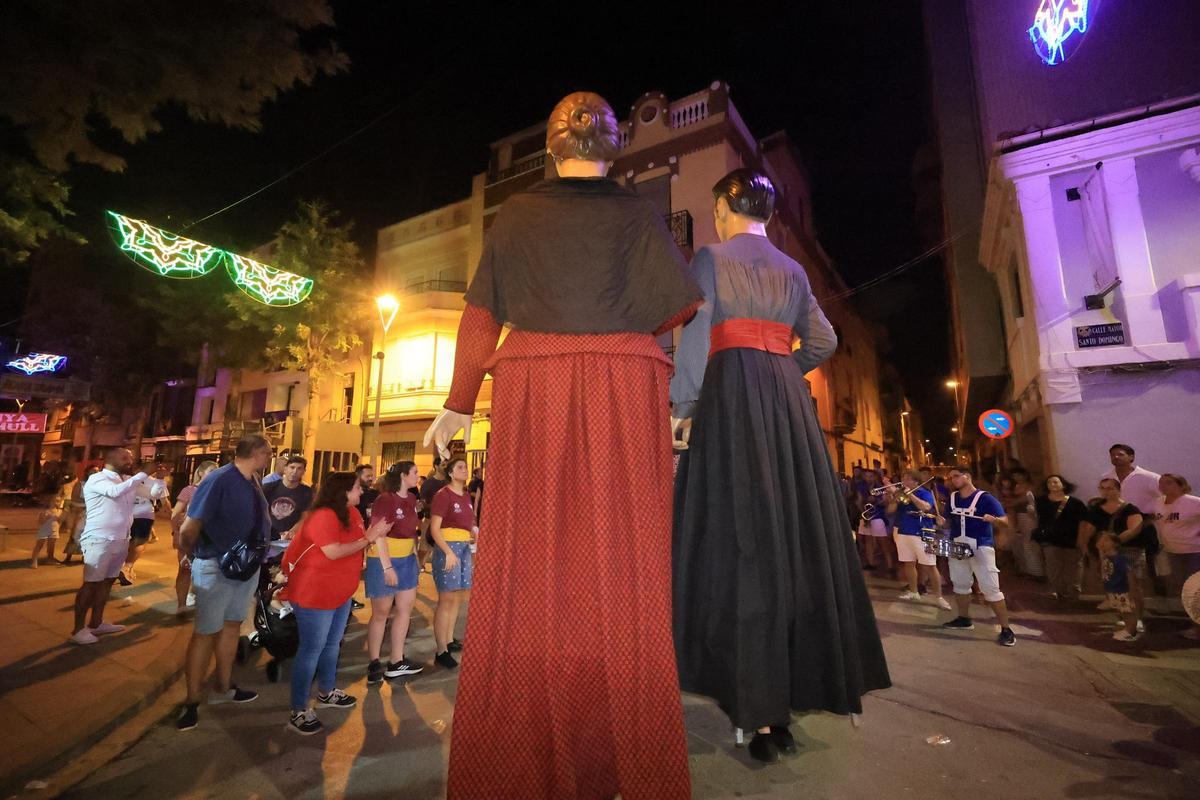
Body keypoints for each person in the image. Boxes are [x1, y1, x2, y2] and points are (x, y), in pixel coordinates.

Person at [422, 91, 701, 799]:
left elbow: (481, 316)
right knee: (627, 558)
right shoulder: (639, 212)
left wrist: (458, 405)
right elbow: (676, 305)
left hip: (533, 387)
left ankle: (523, 755)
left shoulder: (515, 214)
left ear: (551, 148)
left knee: (530, 556)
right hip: (626, 384)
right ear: (614, 150)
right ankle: (624, 756)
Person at [669, 168, 889, 763]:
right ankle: (787, 706)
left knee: (739, 543)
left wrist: (683, 406)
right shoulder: (794, 270)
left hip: (730, 398)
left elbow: (693, 338)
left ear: (723, 208)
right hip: (786, 403)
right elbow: (824, 341)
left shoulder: (710, 259)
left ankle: (754, 708)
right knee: (793, 541)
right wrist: (784, 371)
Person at [279, 471, 391, 735]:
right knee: (311, 649)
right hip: (315, 593)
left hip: (340, 592)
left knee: (332, 644)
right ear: (342, 491)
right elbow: (332, 551)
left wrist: (372, 538)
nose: (361, 491)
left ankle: (327, 691)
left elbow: (356, 544)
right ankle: (298, 709)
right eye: (356, 487)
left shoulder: (351, 513)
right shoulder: (323, 516)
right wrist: (368, 539)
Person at [175, 436, 273, 731]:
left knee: (232, 626)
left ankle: (224, 685)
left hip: (245, 567)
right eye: (267, 452)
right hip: (217, 566)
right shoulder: (219, 480)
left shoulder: (253, 480)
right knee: (206, 632)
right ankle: (192, 701)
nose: (269, 457)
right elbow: (189, 527)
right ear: (257, 453)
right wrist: (191, 558)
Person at [70, 449, 151, 645]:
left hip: (120, 539)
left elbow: (152, 493)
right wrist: (143, 473)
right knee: (91, 584)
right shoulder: (98, 479)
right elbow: (115, 492)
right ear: (109, 459)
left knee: (107, 582)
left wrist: (157, 479)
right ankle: (78, 629)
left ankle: (96, 623)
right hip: (99, 539)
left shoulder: (124, 481)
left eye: (130, 458)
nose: (129, 461)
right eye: (124, 457)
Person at [941, 467, 1018, 646]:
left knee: (990, 587)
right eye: (951, 477)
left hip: (980, 545)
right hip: (957, 544)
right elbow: (947, 521)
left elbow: (1005, 521)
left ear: (967, 476)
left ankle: (1006, 629)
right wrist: (940, 521)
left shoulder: (985, 498)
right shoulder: (952, 499)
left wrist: (994, 520)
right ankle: (964, 618)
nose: (953, 480)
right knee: (960, 584)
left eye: (956, 476)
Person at [365, 461, 424, 684]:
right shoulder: (385, 500)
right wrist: (387, 566)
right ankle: (374, 661)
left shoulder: (410, 499)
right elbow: (378, 534)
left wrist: (416, 558)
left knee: (404, 610)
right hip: (384, 559)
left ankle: (396, 661)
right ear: (403, 475)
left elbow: (412, 533)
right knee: (380, 613)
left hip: (407, 559)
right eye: (415, 472)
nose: (418, 476)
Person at [428, 456, 477, 669]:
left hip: (464, 549)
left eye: (466, 467)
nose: (465, 470)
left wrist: (474, 533)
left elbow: (469, 523)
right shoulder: (443, 495)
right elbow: (434, 528)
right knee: (446, 600)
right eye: (460, 467)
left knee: (457, 597)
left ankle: (448, 639)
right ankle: (441, 650)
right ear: (450, 473)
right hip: (449, 550)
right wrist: (448, 552)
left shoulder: (465, 495)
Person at [1079, 478, 1146, 630]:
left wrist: (1113, 542)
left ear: (1118, 489)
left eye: (1110, 488)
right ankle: (1124, 616)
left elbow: (1134, 529)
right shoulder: (1097, 508)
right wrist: (1088, 547)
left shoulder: (1130, 508)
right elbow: (1088, 529)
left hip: (1129, 550)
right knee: (1115, 586)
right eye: (1102, 488)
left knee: (1133, 585)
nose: (1106, 491)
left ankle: (1138, 617)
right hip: (1106, 553)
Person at [887, 470, 951, 609]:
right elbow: (891, 510)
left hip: (922, 532)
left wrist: (910, 495)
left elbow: (926, 507)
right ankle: (914, 591)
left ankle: (939, 597)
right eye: (903, 478)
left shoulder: (924, 493)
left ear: (916, 481)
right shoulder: (901, 494)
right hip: (904, 531)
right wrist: (893, 497)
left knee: (930, 565)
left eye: (908, 479)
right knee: (908, 563)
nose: (904, 481)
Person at [1151, 473, 1200, 640]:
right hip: (1172, 551)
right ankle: (1194, 624)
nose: (1163, 486)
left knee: (1196, 590)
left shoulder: (1193, 502)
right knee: (1184, 588)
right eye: (1161, 483)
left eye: (1169, 483)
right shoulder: (1159, 502)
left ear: (1181, 485)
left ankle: (1198, 628)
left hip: (1194, 552)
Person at [170, 460, 218, 615]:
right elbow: (176, 513)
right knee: (185, 570)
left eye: (216, 471)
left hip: (209, 537)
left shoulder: (217, 491)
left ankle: (198, 599)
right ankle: (181, 605)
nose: (214, 474)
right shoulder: (189, 490)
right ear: (201, 473)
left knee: (206, 570)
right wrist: (177, 533)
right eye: (211, 470)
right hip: (189, 536)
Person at [1034, 475, 1089, 602]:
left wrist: (1081, 539)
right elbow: (1037, 519)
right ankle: (1056, 590)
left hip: (1071, 538)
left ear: (1063, 485)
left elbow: (1083, 522)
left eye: (1055, 482)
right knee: (1052, 566)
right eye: (1049, 482)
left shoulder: (1076, 503)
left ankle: (1073, 592)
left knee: (1073, 567)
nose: (1052, 484)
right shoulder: (1041, 501)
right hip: (1050, 539)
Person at [119, 461, 169, 586]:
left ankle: (122, 566)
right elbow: (161, 499)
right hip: (144, 514)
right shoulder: (154, 481)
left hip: (124, 514)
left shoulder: (124, 479)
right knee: (140, 542)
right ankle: (127, 567)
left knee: (127, 541)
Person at [1095, 533, 1140, 641]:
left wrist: (1132, 590)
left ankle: (1130, 631)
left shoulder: (1119, 559)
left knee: (1127, 611)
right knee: (1121, 610)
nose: (1102, 543)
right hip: (1113, 590)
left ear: (1115, 544)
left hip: (1122, 590)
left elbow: (1129, 573)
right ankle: (1127, 629)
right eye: (1101, 540)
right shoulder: (1107, 558)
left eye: (1106, 540)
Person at [263, 456, 313, 541]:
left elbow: (305, 516)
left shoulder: (306, 492)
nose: (294, 471)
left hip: (292, 537)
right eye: (292, 467)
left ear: (304, 472)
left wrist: (292, 531)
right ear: (285, 469)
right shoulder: (269, 488)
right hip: (268, 535)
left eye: (299, 468)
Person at [1007, 468, 1044, 579]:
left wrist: (1009, 503)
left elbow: (1024, 500)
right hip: (1017, 515)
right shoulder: (1015, 487)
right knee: (1020, 543)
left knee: (1030, 542)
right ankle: (1025, 569)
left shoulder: (1031, 486)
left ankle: (1037, 572)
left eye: (1019, 475)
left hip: (1028, 515)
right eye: (1014, 476)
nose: (1017, 478)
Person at [857, 469, 894, 573]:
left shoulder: (880, 487)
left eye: (871, 476)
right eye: (866, 476)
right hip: (866, 516)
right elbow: (859, 501)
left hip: (878, 515)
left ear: (875, 477)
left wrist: (876, 500)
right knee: (868, 540)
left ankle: (890, 565)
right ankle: (870, 563)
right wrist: (863, 513)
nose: (869, 478)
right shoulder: (861, 486)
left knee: (882, 541)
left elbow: (886, 501)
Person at [30, 477, 70, 567]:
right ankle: (34, 560)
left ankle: (50, 558)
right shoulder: (46, 511)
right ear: (50, 501)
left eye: (59, 501)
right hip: (44, 531)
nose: (58, 503)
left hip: (54, 531)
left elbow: (60, 520)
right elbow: (40, 522)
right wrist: (45, 518)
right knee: (39, 545)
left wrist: (65, 513)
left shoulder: (59, 511)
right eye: (56, 501)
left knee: (51, 545)